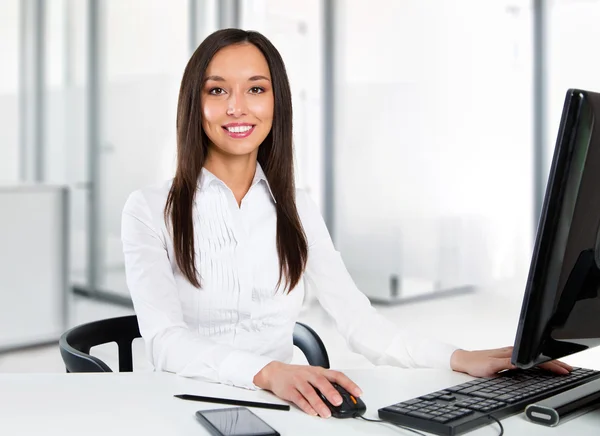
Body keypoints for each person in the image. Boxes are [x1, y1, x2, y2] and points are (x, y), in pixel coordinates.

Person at [121, 28, 572, 419]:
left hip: (285, 410)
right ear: (194, 104)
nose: (238, 107)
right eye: (217, 90)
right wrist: (269, 372)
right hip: (181, 406)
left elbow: (361, 324)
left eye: (256, 89)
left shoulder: (295, 206)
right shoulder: (148, 209)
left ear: (277, 102)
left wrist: (460, 358)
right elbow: (165, 342)